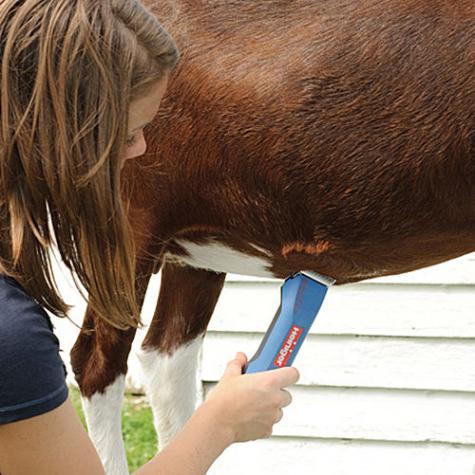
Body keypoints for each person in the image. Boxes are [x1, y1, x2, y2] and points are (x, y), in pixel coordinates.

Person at [0, 1, 299, 474]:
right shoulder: (9, 336)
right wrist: (220, 423)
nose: (141, 150)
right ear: (60, 134)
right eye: (128, 133)